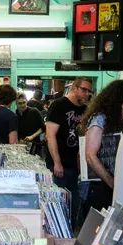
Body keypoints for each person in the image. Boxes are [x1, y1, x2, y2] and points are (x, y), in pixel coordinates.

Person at [80, 80, 123, 215]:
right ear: (118, 101)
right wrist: (112, 183)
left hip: (106, 186)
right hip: (98, 188)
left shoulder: (111, 120)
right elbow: (90, 156)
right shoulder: (99, 119)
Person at [46, 77, 94, 227]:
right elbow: (50, 135)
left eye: (89, 91)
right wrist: (57, 162)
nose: (87, 94)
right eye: (84, 90)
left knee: (73, 207)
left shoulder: (85, 109)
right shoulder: (59, 105)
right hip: (60, 165)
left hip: (77, 166)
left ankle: (69, 240)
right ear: (74, 88)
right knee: (58, 207)